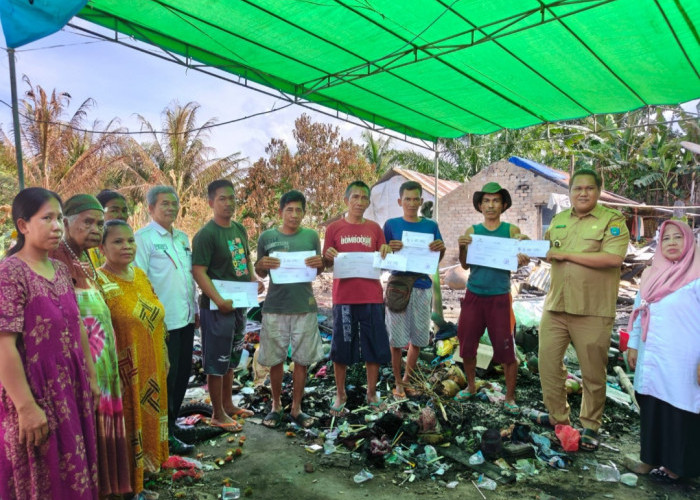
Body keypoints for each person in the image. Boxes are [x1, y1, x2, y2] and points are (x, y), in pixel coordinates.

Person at [0, 187, 99, 500]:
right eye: (47, 218)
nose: (57, 226)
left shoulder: (59, 269)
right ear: (23, 225)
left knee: (75, 474)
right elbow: (3, 345)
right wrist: (27, 407)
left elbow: (77, 328)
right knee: (43, 478)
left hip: (70, 388)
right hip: (35, 395)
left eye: (59, 218)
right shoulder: (10, 272)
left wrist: (92, 377)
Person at [537, 168, 629, 451]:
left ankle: (590, 425)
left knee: (592, 372)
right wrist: (524, 250)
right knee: (548, 365)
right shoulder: (560, 220)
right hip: (556, 306)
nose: (583, 193)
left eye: (589, 188)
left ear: (599, 191)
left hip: (592, 309)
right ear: (570, 192)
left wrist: (565, 254)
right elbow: (547, 250)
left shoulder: (612, 221)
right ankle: (558, 418)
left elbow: (613, 258)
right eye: (578, 189)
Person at [50, 194, 131, 496]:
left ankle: (108, 488)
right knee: (89, 429)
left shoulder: (84, 258)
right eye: (88, 222)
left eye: (100, 223)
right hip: (85, 365)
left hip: (102, 361)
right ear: (66, 222)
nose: (97, 229)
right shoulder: (58, 258)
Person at [98, 220, 169, 495]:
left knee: (149, 421)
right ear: (102, 247)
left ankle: (144, 477)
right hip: (124, 373)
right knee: (128, 426)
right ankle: (127, 485)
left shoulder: (139, 275)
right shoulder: (99, 281)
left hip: (152, 364)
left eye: (130, 240)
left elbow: (157, 317)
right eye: (117, 241)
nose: (126, 246)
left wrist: (164, 353)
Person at [626, 220, 700, 482]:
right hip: (652, 354)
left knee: (680, 410)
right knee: (652, 406)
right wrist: (633, 345)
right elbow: (638, 311)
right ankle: (649, 459)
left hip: (684, 358)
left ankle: (678, 466)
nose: (671, 243)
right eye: (665, 238)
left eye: (677, 237)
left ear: (689, 241)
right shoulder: (650, 274)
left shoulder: (697, 275)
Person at [192, 180, 263, 431]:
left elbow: (245, 261)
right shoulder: (206, 235)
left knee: (232, 358)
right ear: (211, 202)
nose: (229, 203)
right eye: (223, 198)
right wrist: (218, 300)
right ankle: (217, 413)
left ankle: (229, 405)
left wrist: (254, 281)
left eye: (232, 198)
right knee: (216, 362)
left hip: (240, 304)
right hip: (216, 308)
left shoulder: (239, 229)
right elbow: (198, 272)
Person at [455, 182, 529, 415]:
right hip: (474, 294)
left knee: (507, 349)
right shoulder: (472, 231)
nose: (490, 205)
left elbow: (521, 244)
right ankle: (471, 386)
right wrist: (461, 247)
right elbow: (465, 264)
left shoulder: (510, 231)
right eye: (486, 201)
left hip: (500, 297)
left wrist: (524, 247)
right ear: (480, 205)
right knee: (467, 345)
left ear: (503, 205)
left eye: (495, 200)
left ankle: (509, 397)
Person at [135, 186, 198, 455]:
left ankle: (172, 427)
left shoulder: (182, 238)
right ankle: (164, 437)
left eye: (174, 203)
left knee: (183, 375)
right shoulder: (143, 239)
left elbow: (187, 278)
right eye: (164, 204)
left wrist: (194, 311)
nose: (171, 208)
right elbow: (139, 280)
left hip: (184, 318)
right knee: (166, 380)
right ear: (150, 208)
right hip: (162, 323)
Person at [254, 190, 325, 428]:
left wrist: (321, 264)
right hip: (275, 306)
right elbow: (261, 272)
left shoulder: (312, 237)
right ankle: (275, 406)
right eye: (289, 210)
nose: (294, 215)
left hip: (304, 305)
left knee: (302, 360)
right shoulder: (266, 237)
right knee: (275, 360)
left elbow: (316, 270)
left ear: (305, 213)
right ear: (280, 212)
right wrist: (261, 265)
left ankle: (297, 408)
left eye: (299, 210)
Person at [323, 180, 392, 415]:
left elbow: (384, 258)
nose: (360, 202)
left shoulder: (375, 229)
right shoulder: (333, 229)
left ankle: (371, 393)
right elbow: (325, 263)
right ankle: (340, 393)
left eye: (364, 198)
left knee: (373, 344)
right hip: (343, 297)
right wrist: (328, 256)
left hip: (372, 296)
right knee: (341, 346)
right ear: (346, 200)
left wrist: (386, 251)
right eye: (355, 197)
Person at [383, 181, 445, 398]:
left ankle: (408, 379)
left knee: (418, 337)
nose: (411, 203)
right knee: (396, 340)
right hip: (398, 285)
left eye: (415, 199)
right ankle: (398, 382)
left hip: (422, 286)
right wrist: (389, 249)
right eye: (406, 199)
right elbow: (381, 256)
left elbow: (437, 258)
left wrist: (441, 249)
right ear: (400, 201)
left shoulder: (431, 226)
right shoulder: (391, 225)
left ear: (421, 201)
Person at [90, 189, 129, 267]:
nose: (121, 215)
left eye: (124, 211)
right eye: (114, 210)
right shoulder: (91, 247)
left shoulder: (130, 243)